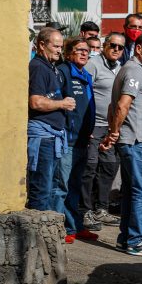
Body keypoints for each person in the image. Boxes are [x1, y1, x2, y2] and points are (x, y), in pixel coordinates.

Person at [100, 33, 142, 257]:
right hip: (135, 140)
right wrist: (114, 131)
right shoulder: (134, 70)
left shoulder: (136, 70)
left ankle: (125, 238)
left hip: (132, 139)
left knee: (131, 191)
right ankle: (136, 240)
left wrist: (113, 131)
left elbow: (113, 105)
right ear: (138, 48)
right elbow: (121, 105)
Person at [27, 27, 75, 210]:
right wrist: (62, 104)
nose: (59, 50)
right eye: (55, 46)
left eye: (61, 47)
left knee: (51, 188)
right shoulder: (38, 67)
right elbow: (36, 102)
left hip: (53, 137)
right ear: (41, 45)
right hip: (43, 138)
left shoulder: (52, 68)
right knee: (41, 190)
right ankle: (36, 236)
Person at [56, 38, 98, 243]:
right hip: (68, 139)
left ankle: (74, 225)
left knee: (75, 186)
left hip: (83, 139)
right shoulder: (63, 71)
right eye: (79, 50)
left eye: (87, 50)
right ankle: (60, 229)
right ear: (68, 52)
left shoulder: (86, 75)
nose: (84, 53)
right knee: (61, 185)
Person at [81, 33, 125, 230]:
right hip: (93, 125)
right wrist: (86, 125)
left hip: (111, 127)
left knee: (109, 167)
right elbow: (84, 93)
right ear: (105, 46)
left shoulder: (121, 69)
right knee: (89, 168)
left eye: (120, 47)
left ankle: (102, 209)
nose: (116, 50)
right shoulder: (93, 64)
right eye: (113, 45)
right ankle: (85, 211)